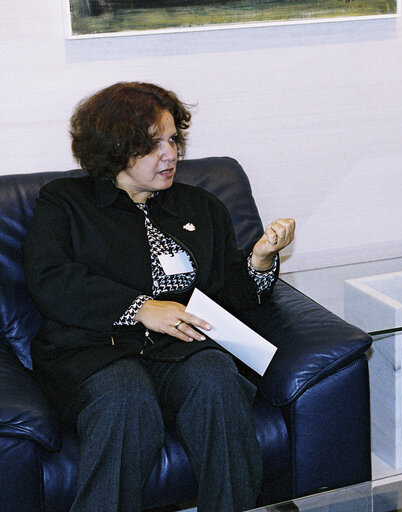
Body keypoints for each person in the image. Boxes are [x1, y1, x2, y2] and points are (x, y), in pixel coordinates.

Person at [23, 82, 295, 512]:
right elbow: (51, 279)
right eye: (152, 145)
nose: (170, 155)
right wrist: (142, 308)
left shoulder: (202, 205)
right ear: (114, 148)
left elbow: (229, 292)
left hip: (181, 349)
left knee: (219, 381)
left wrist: (259, 263)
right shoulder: (65, 203)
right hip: (96, 352)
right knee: (125, 402)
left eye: (173, 139)